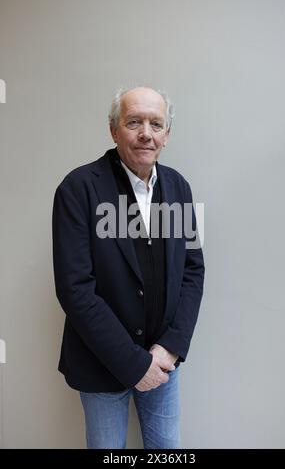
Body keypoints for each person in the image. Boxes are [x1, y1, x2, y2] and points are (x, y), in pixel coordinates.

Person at [52, 86, 205, 449]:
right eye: (134, 122)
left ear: (167, 134)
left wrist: (169, 348)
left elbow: (193, 271)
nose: (145, 134)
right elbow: (75, 288)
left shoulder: (179, 187)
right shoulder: (78, 189)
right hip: (100, 365)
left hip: (164, 362)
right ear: (113, 129)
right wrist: (135, 365)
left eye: (156, 123)